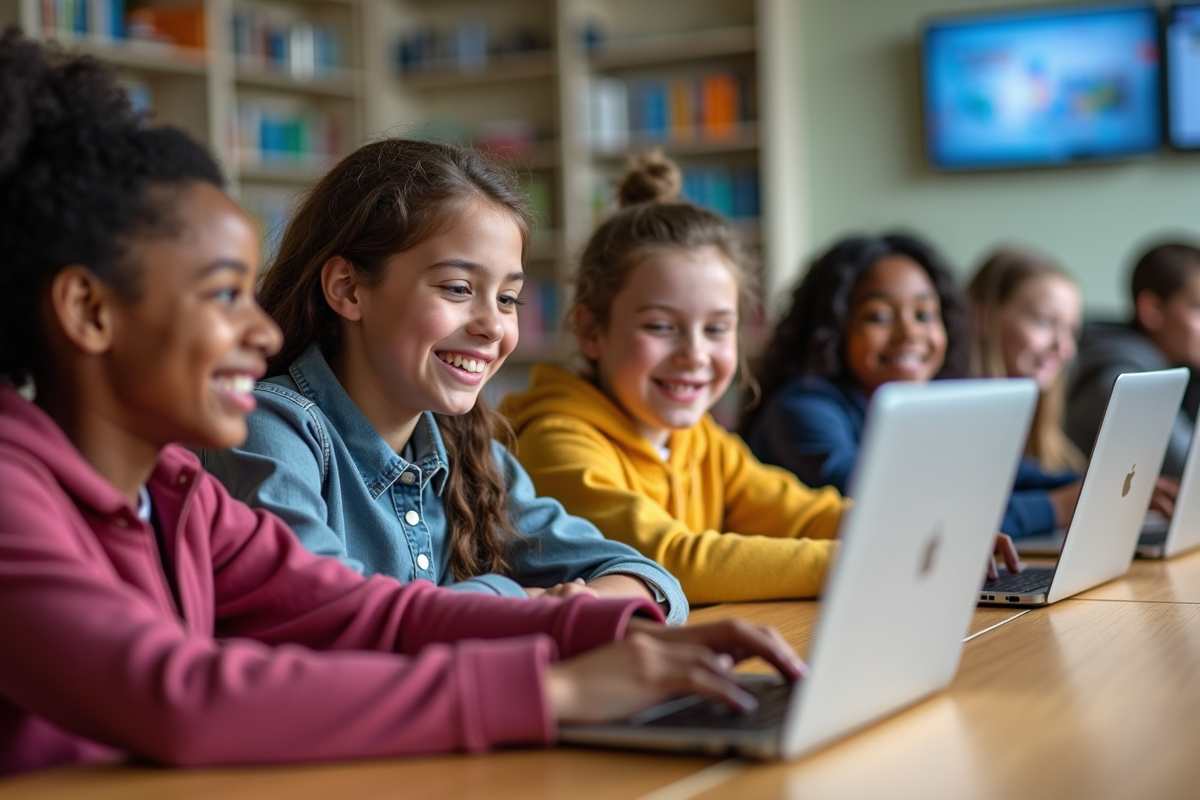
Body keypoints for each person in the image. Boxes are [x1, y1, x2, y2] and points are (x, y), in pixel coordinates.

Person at [0, 30, 801, 775]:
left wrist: (609, 629)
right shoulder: (14, 491)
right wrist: (554, 690)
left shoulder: (178, 493)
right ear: (89, 312)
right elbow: (183, 697)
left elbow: (366, 615)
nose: (256, 329)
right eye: (221, 296)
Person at [200, 138, 687, 623]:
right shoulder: (270, 430)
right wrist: (521, 605)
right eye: (458, 288)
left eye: (508, 299)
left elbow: (649, 580)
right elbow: (324, 615)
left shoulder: (471, 454)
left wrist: (574, 607)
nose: (494, 326)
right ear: (348, 290)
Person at [500, 154, 1020, 605]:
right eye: (661, 326)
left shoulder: (700, 440)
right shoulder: (557, 442)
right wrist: (876, 558)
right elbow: (668, 559)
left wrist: (921, 529)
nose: (695, 354)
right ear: (592, 331)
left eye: (717, 328)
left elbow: (805, 513)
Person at [743, 233, 971, 495]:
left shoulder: (933, 405)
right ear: (833, 328)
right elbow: (892, 502)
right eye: (879, 316)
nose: (909, 333)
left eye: (924, 315)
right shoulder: (799, 409)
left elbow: (1020, 478)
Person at [967, 247, 1086, 536]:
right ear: (982, 317)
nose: (1064, 349)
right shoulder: (952, 423)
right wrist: (1058, 505)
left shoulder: (1043, 441)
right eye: (1045, 322)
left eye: (1071, 330)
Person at [1068, 242, 1200, 480]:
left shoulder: (1182, 369)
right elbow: (1191, 469)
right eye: (1198, 307)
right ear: (1152, 310)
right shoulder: (1124, 378)